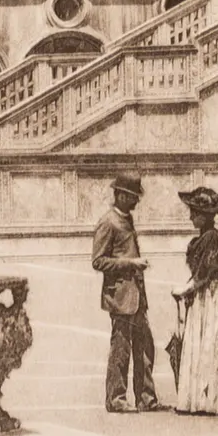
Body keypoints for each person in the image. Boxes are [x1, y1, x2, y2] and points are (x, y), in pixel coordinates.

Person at [168, 185, 218, 415]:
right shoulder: (202, 238)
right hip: (204, 296)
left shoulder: (212, 238)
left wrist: (185, 289)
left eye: (195, 213)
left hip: (213, 295)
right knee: (203, 345)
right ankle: (202, 400)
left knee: (211, 345)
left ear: (205, 216)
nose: (191, 217)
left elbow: (206, 272)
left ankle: (210, 401)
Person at [91, 175, 159, 413]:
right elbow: (98, 261)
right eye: (132, 197)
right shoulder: (108, 222)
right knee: (121, 349)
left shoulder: (125, 219)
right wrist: (131, 263)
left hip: (135, 295)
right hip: (120, 297)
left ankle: (146, 398)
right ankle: (116, 399)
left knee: (145, 346)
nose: (136, 201)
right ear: (120, 195)